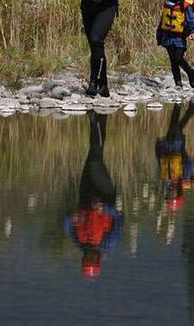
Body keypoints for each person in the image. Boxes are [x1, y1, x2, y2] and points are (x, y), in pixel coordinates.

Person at [63, 111, 123, 278]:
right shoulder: (109, 244)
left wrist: (73, 217)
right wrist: (104, 208)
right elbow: (119, 218)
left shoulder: (80, 242)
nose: (90, 254)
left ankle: (102, 117)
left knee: (95, 153)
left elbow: (65, 222)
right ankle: (94, 120)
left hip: (85, 194)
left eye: (87, 258)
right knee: (95, 160)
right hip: (105, 194)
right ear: (98, 259)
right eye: (92, 258)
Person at [156, 0, 194, 88]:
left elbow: (191, 21)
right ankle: (178, 84)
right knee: (173, 61)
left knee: (178, 58)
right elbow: (163, 20)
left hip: (179, 38)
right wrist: (159, 35)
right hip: (167, 37)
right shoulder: (167, 4)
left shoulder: (185, 6)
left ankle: (190, 73)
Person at [155, 103, 194, 212]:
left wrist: (157, 146)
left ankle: (188, 106)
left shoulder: (166, 180)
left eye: (169, 195)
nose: (171, 193)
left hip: (166, 145)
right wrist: (193, 156)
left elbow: (160, 161)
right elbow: (189, 164)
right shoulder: (184, 178)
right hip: (177, 145)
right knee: (175, 126)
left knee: (175, 125)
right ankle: (182, 104)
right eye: (173, 195)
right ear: (179, 193)